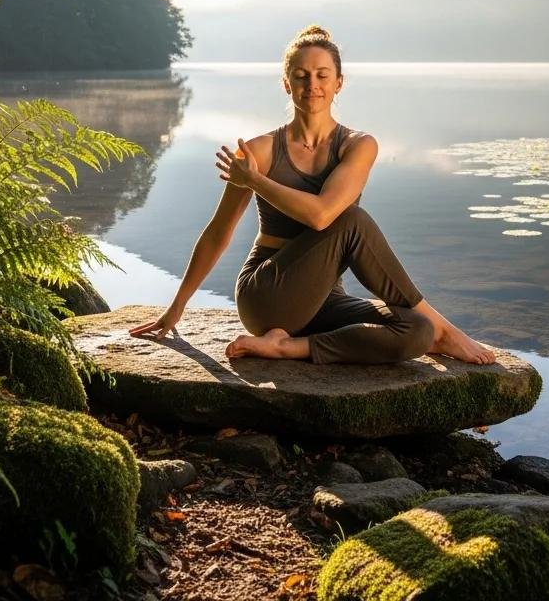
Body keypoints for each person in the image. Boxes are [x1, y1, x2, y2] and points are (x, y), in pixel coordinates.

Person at [129, 25, 496, 365]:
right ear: (286, 84)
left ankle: (290, 348)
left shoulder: (358, 145)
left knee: (417, 331)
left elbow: (321, 213)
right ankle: (447, 330)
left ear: (339, 82)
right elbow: (218, 233)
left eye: (323, 75)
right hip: (267, 296)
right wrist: (176, 307)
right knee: (351, 219)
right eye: (301, 76)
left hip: (325, 300)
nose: (312, 85)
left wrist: (257, 182)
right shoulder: (258, 152)